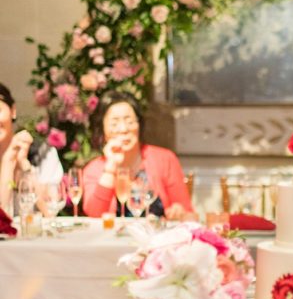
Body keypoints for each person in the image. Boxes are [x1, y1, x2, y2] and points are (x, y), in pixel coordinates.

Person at [82, 90, 194, 220]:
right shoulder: (93, 169)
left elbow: (190, 215)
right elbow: (94, 215)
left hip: (157, 238)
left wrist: (179, 213)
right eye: (114, 123)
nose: (124, 129)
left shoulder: (164, 159)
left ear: (139, 125)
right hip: (112, 240)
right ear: (102, 129)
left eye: (129, 121)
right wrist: (111, 167)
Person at [0, 82, 63, 213]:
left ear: (13, 111)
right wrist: (8, 163)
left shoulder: (43, 153)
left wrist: (24, 165)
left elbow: (50, 211)